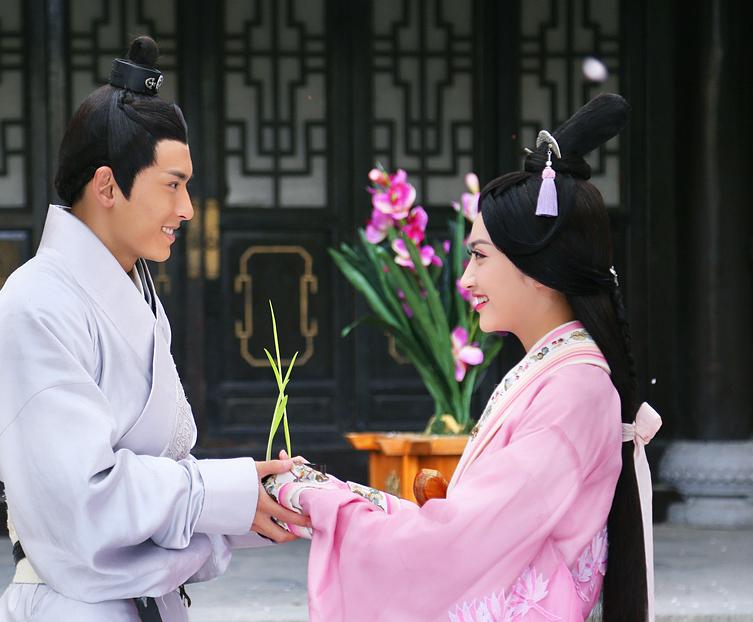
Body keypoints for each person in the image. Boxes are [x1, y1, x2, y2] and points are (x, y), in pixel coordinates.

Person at [269, 94, 661, 621]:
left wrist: (321, 501)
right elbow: (471, 527)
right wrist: (327, 489)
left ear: (539, 266)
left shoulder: (574, 389)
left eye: (479, 256)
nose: (465, 279)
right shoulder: (561, 373)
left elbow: (457, 542)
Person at [0, 35, 308, 622]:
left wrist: (257, 499)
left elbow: (158, 480)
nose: (188, 209)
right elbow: (81, 501)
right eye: (172, 185)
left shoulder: (133, 293)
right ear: (107, 186)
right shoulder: (34, 310)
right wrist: (223, 495)